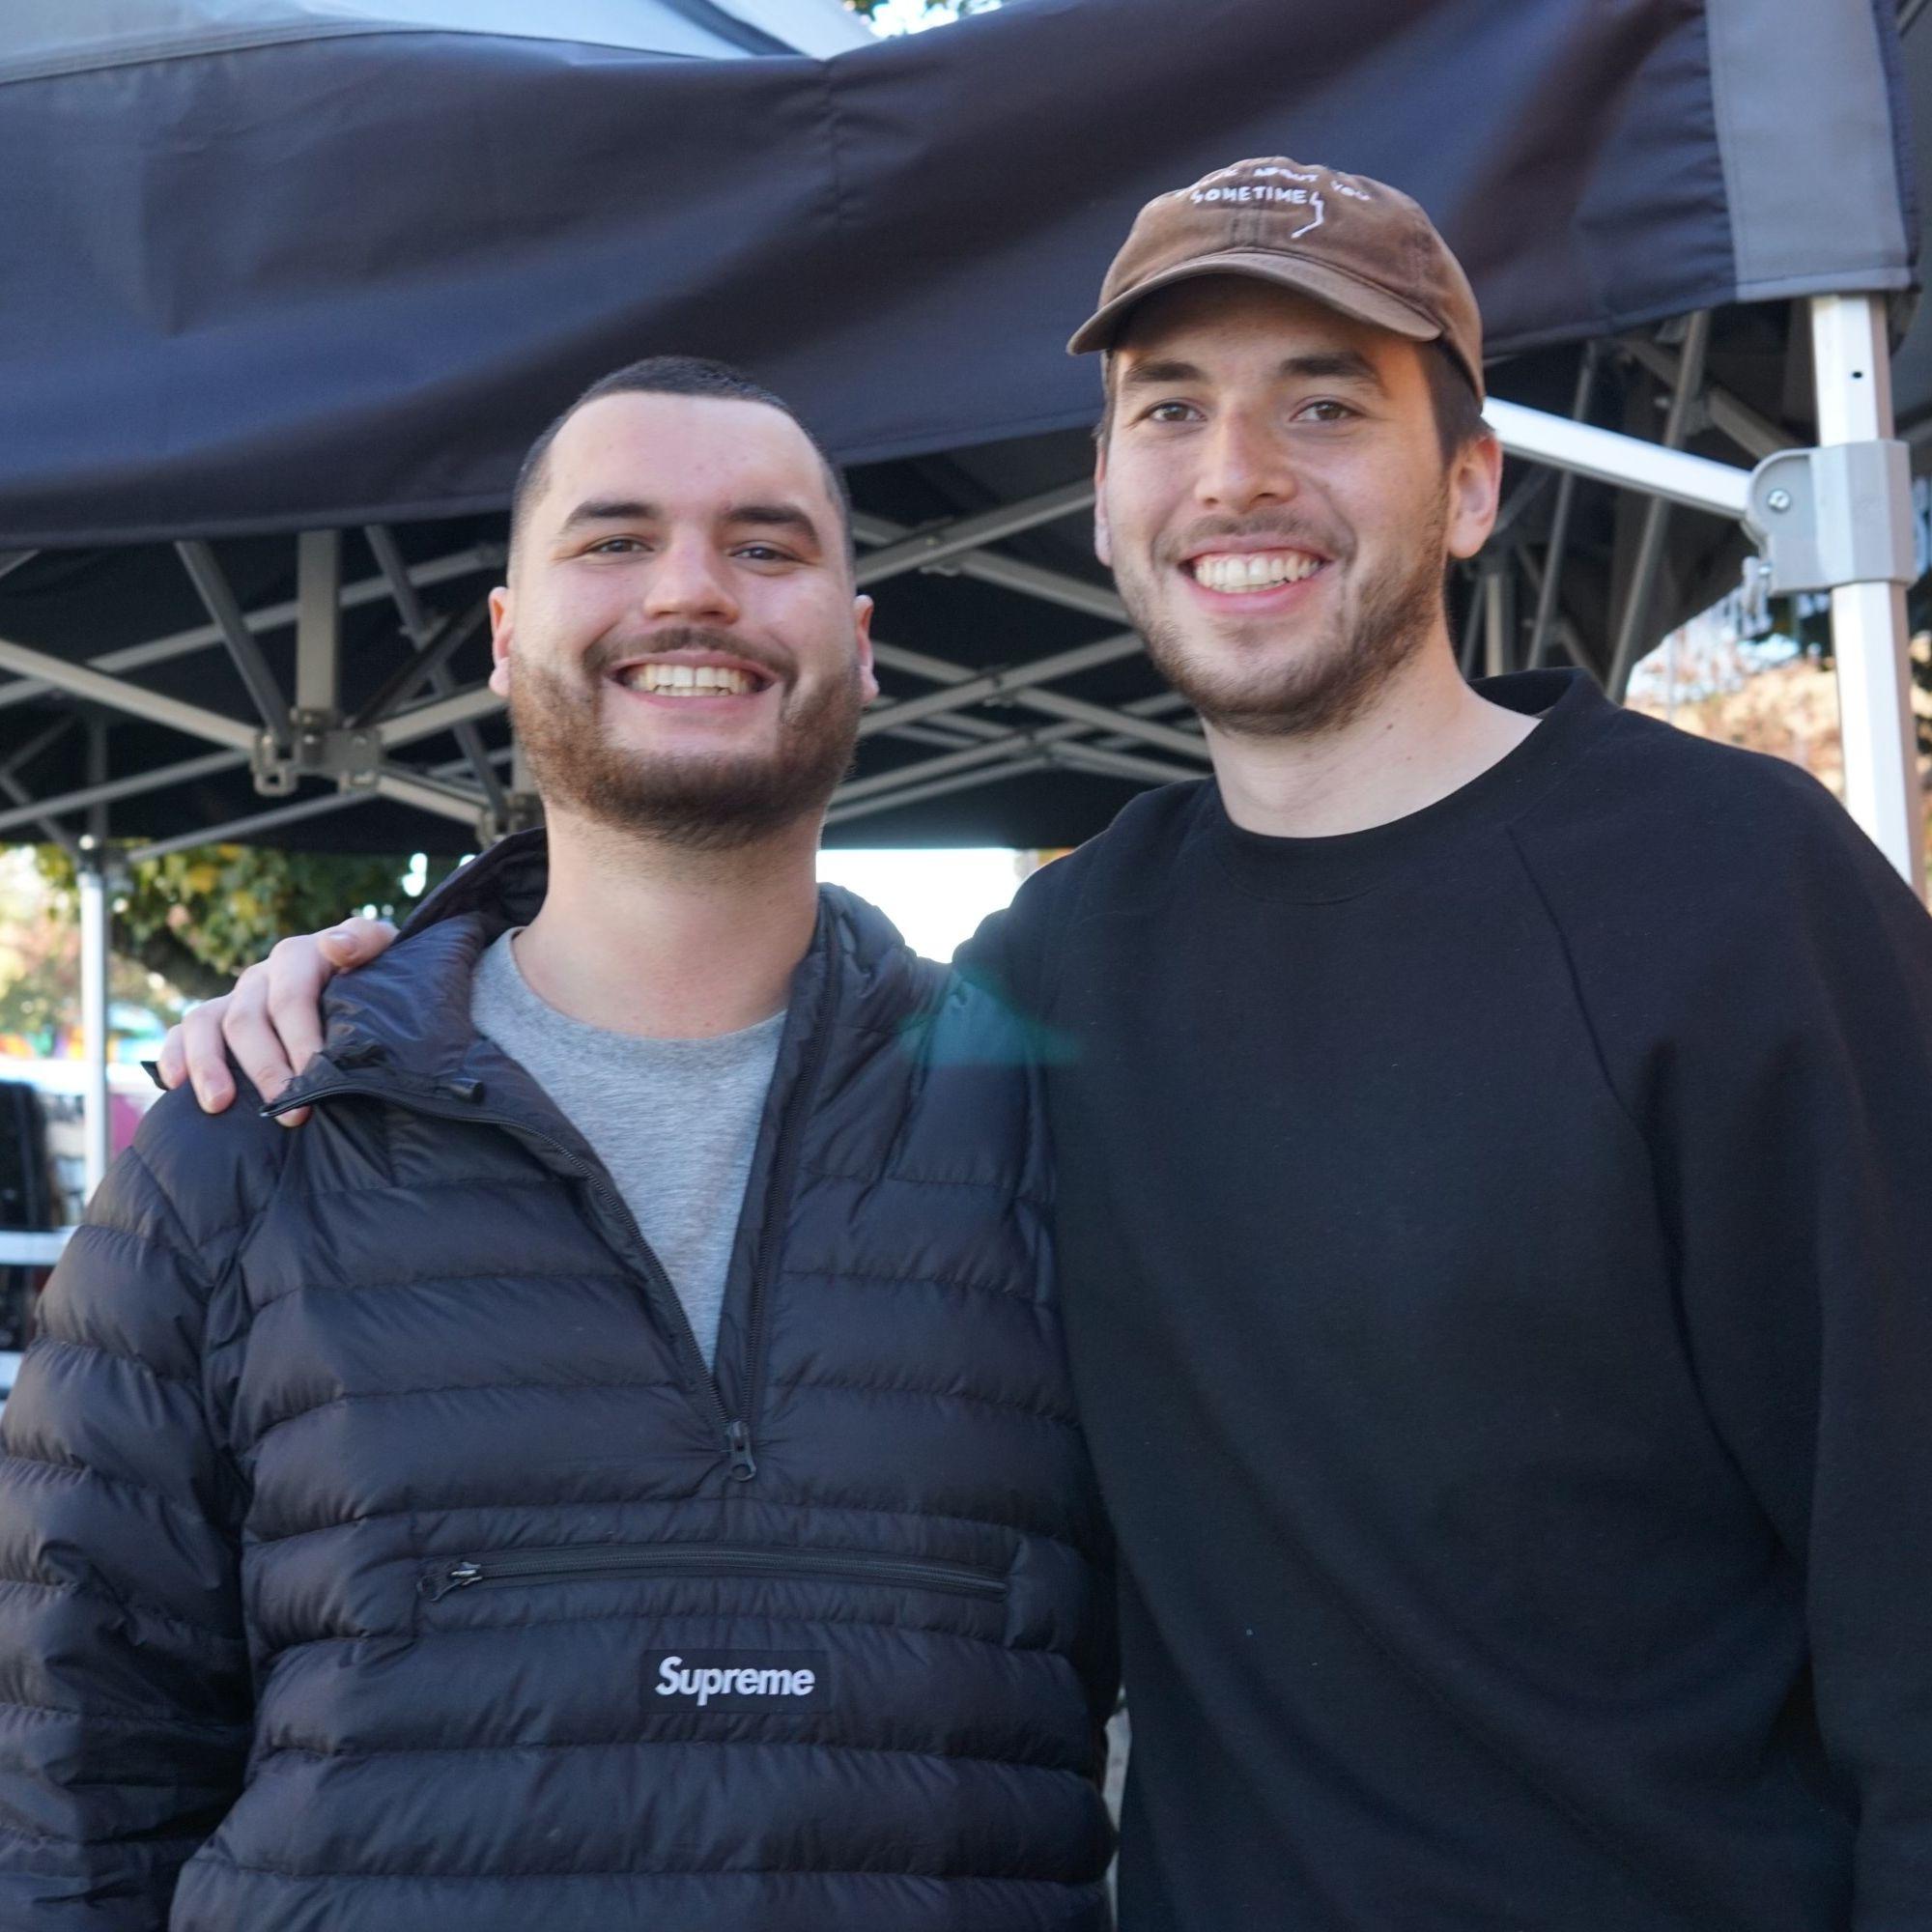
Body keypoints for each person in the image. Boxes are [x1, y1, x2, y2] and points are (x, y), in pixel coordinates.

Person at [162, 158, 1932, 1932]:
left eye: (1325, 405)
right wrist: (375, 987)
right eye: (1173, 410)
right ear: (1103, 497)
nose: (1237, 473)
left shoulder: (1733, 893)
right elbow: (715, 1087)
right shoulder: (1056, 975)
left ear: (1469, 485)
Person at [0, 355, 1116, 1931]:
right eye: (614, 539)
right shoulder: (247, 1140)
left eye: (766, 545)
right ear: (507, 637)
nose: (691, 589)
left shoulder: (1056, 1136)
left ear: (859, 647)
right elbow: (67, 1789)